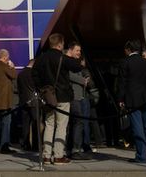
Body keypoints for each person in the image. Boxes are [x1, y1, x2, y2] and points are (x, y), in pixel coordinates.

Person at [32, 33, 82, 165]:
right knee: (61, 126)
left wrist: (42, 88)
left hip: (48, 96)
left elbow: (34, 75)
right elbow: (77, 67)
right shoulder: (62, 57)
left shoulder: (41, 58)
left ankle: (46, 155)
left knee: (49, 124)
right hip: (63, 96)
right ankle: (59, 155)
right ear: (60, 44)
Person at [118, 40, 146, 164]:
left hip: (132, 99)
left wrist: (121, 99)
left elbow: (123, 83)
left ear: (128, 49)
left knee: (138, 128)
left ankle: (142, 156)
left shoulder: (125, 62)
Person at [66, 43, 91, 160]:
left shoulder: (75, 62)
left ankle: (71, 149)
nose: (79, 53)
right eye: (77, 50)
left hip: (78, 96)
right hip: (73, 97)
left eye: (80, 51)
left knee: (75, 123)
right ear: (71, 50)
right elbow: (69, 75)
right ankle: (75, 150)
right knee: (78, 122)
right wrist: (83, 80)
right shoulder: (68, 61)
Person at [0, 49, 17, 154]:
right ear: (5, 57)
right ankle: (4, 147)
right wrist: (12, 66)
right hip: (5, 101)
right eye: (8, 57)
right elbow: (14, 76)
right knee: (6, 124)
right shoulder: (5, 66)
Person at [17, 59, 38, 151]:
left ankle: (25, 144)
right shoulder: (34, 74)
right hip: (34, 102)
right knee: (35, 123)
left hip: (23, 101)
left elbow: (19, 88)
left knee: (25, 124)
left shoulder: (21, 74)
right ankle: (35, 145)